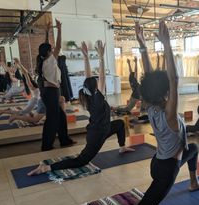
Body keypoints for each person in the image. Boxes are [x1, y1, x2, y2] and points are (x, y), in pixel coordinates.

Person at [65, 21, 199, 205]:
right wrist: (167, 44)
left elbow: (151, 78)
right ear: (167, 92)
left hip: (158, 162)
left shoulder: (150, 106)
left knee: (194, 148)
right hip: (166, 170)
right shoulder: (169, 114)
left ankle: (193, 182)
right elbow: (173, 78)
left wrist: (143, 45)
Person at [28, 40, 135, 175]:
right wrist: (101, 58)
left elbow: (88, 76)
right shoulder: (96, 97)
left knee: (119, 124)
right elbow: (101, 77)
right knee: (81, 160)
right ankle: (47, 168)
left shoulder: (88, 94)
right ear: (96, 87)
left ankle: (122, 147)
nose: (98, 81)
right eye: (97, 83)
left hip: (103, 128)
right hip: (97, 135)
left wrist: (85, 57)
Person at [36, 19, 75, 151]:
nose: (53, 50)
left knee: (61, 116)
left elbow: (47, 46)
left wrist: (47, 32)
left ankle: (64, 140)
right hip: (51, 93)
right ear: (48, 53)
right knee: (52, 120)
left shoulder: (44, 60)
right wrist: (59, 29)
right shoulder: (50, 61)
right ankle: (46, 145)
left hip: (51, 92)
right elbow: (57, 46)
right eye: (51, 50)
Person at [0, 58, 46, 124]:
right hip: (34, 101)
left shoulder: (34, 82)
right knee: (22, 112)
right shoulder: (30, 84)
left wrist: (19, 64)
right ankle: (8, 113)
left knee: (27, 112)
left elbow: (26, 73)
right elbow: (26, 73)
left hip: (35, 100)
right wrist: (19, 63)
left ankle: (9, 111)